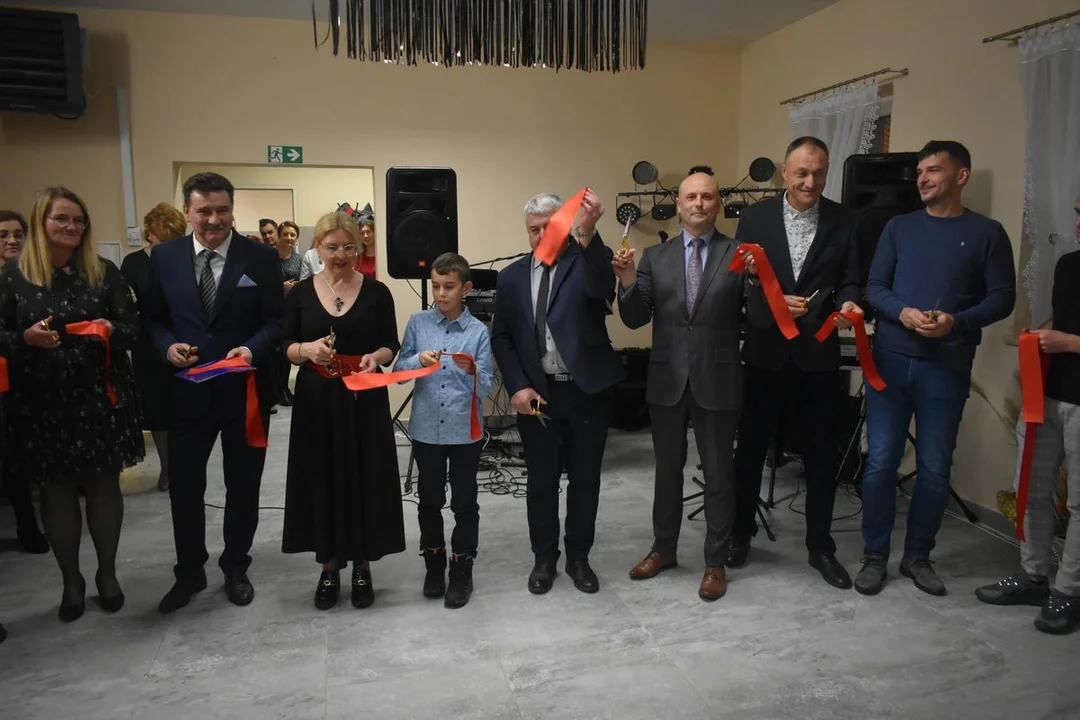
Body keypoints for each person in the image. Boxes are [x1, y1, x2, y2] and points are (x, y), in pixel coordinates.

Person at [856, 141, 1016, 597]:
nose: (922, 179)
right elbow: (875, 287)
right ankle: (874, 557)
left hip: (945, 367)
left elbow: (1003, 298)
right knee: (881, 462)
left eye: (933, 170)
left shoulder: (987, 233)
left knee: (933, 469)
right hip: (890, 363)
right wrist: (903, 312)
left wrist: (956, 322)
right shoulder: (899, 227)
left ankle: (917, 557)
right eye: (920, 171)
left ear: (960, 176)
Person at [614, 172, 769, 602]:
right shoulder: (654, 257)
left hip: (718, 379)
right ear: (679, 205)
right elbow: (635, 319)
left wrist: (757, 280)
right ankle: (663, 549)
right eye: (691, 197)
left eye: (707, 197)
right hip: (666, 380)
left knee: (719, 475)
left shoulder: (740, 254)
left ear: (718, 205)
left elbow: (759, 319)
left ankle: (715, 562)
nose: (698, 203)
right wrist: (627, 280)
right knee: (667, 472)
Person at [0, 187, 144, 621]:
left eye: (79, 219)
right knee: (56, 491)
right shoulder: (13, 276)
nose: (72, 226)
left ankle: (107, 573)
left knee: (103, 487)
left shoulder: (103, 272)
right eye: (61, 218)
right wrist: (25, 339)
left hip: (100, 398)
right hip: (41, 402)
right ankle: (70, 580)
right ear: (40, 222)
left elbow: (133, 329)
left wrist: (110, 329)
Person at [143, 172, 283, 614]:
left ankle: (236, 566)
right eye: (204, 210)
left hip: (244, 393)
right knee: (185, 487)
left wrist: (251, 349)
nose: (213, 219)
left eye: (222, 210)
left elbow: (276, 321)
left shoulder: (260, 258)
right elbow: (152, 318)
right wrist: (168, 347)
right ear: (187, 212)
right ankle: (189, 572)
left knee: (243, 485)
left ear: (232, 210)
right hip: (187, 395)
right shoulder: (165, 257)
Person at [728, 137, 862, 589]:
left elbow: (850, 280)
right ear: (784, 172)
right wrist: (768, 295)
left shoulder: (845, 219)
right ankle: (740, 533)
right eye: (802, 172)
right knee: (750, 449)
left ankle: (820, 546)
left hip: (817, 353)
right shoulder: (755, 217)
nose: (810, 181)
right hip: (765, 349)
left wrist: (849, 304)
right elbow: (741, 278)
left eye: (819, 173)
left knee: (821, 454)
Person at [491, 189, 624, 595]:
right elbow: (502, 338)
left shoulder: (586, 260)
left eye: (549, 228)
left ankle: (579, 557)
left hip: (586, 392)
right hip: (537, 396)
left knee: (585, 480)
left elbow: (602, 287)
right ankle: (544, 558)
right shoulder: (511, 277)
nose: (540, 235)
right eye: (534, 230)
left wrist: (589, 232)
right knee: (541, 481)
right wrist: (517, 386)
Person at [281, 211, 405, 610]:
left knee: (365, 478)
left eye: (349, 247)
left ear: (360, 248)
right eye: (332, 247)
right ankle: (329, 566)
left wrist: (375, 357)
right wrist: (306, 350)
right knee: (323, 478)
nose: (340, 255)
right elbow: (284, 345)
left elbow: (390, 344)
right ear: (317, 247)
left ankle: (363, 565)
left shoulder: (378, 292)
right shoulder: (299, 294)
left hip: (364, 397)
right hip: (316, 402)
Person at [975, 197, 1080, 634]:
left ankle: (1068, 593)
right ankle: (1034, 576)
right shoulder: (1069, 265)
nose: (1079, 222)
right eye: (1078, 212)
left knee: (1079, 505)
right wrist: (1040, 334)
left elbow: (1071, 335)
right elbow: (1064, 318)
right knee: (1030, 490)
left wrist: (1070, 343)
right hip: (1046, 395)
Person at [396, 252, 494, 608]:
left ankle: (462, 569)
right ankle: (434, 566)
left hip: (464, 432)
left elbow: (487, 386)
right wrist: (417, 360)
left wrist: (473, 372)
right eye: (436, 286)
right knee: (429, 499)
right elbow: (400, 372)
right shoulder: (419, 323)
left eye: (448, 287)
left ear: (466, 288)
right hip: (427, 431)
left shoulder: (478, 332)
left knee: (464, 501)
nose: (440, 294)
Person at [121, 202, 187, 492]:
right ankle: (168, 468)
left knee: (183, 407)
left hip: (182, 340)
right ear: (149, 234)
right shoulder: (133, 263)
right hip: (148, 346)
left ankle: (183, 465)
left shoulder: (185, 260)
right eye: (163, 239)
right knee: (158, 410)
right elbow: (128, 306)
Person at [0, 210, 48, 553]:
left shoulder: (32, 276)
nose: (12, 240)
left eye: (18, 234)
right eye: (3, 235)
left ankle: (29, 522)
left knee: (21, 454)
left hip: (27, 377)